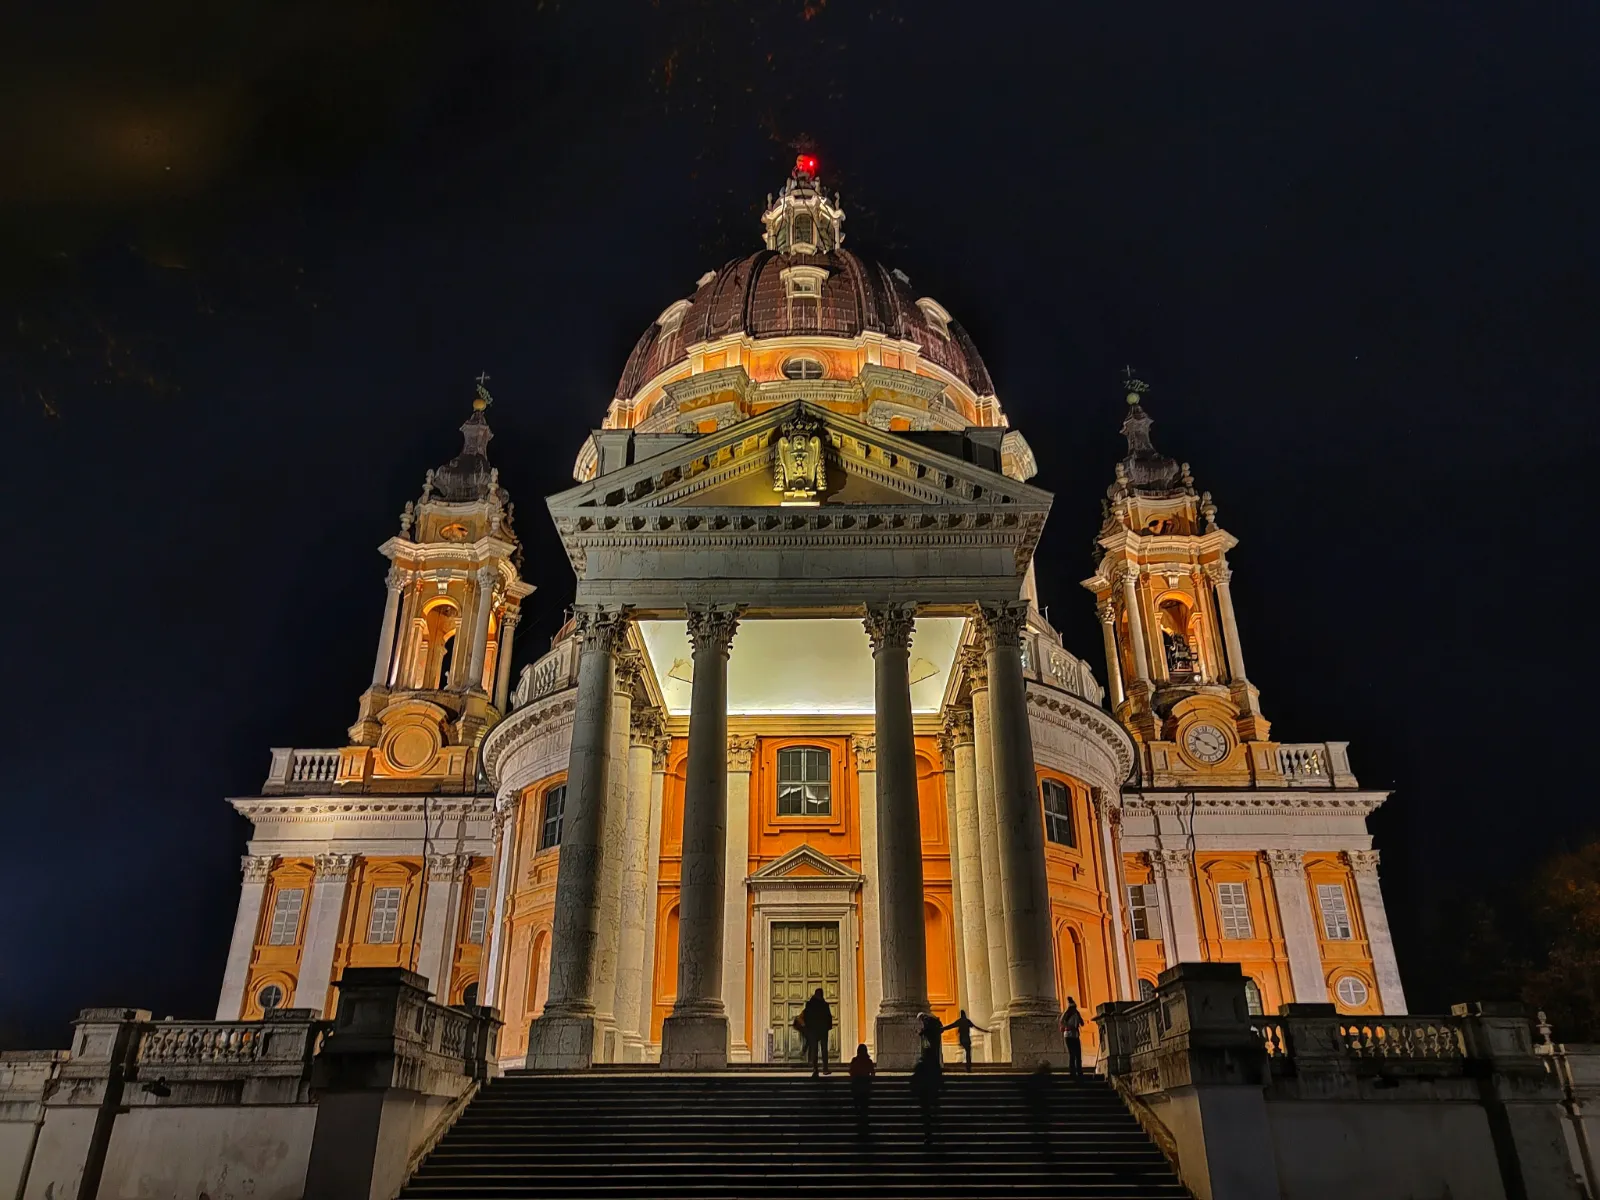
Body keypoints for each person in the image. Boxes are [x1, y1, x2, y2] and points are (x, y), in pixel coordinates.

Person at [802, 988, 834, 1077]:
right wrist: (828, 1027)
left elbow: (806, 1016)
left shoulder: (810, 1004)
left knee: (815, 1051)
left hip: (815, 1030)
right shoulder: (824, 1005)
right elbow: (829, 1017)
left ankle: (817, 1069)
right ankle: (824, 1069)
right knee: (823, 1050)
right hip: (821, 1030)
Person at [848, 1043, 875, 1136]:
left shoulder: (855, 1061)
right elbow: (872, 1073)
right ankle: (864, 1122)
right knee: (864, 1105)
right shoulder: (868, 1061)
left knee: (858, 1103)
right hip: (865, 1085)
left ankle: (859, 1120)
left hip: (857, 1085)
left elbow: (851, 1072)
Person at [1059, 996, 1085, 1079]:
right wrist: (1068, 1027)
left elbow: (1082, 1023)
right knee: (1072, 1054)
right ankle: (1072, 1072)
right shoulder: (1066, 1014)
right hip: (1069, 1035)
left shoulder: (1076, 1014)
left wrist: (1079, 1017)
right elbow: (1061, 1021)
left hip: (1076, 1035)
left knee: (1078, 1054)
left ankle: (1079, 1072)